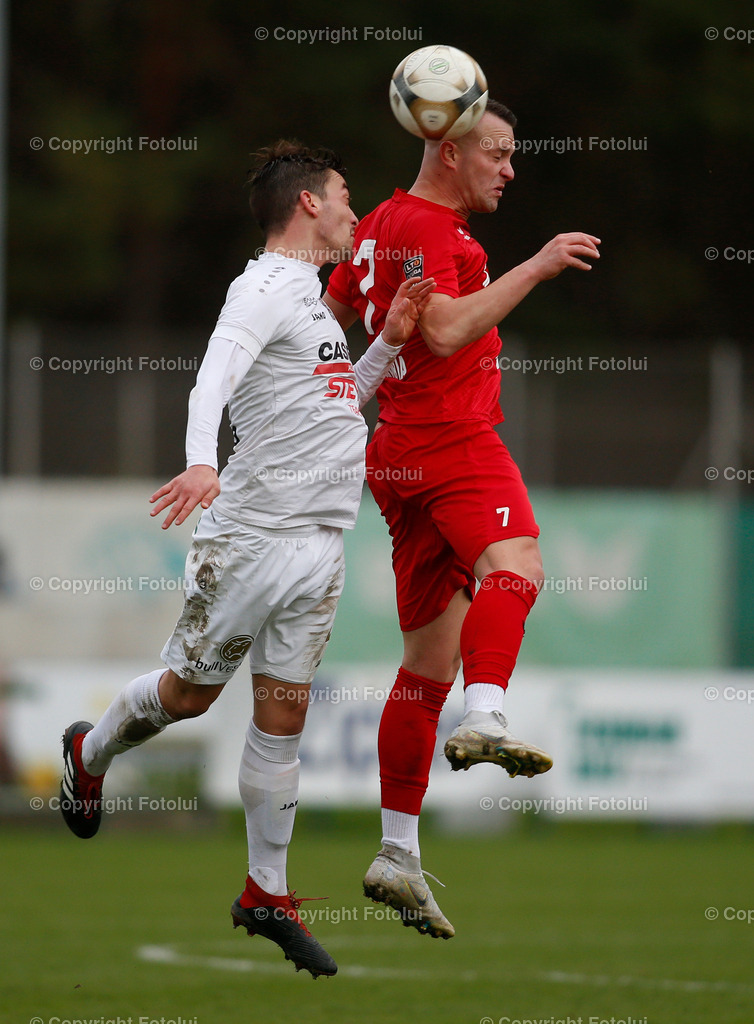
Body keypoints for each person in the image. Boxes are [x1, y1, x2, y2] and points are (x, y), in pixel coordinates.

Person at [59, 139, 434, 979]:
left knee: (285, 716)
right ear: (308, 204)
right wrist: (203, 460)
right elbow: (211, 378)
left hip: (320, 543)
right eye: (342, 195)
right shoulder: (262, 287)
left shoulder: (311, 303)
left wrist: (387, 345)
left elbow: (335, 403)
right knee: (189, 696)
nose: (351, 209)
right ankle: (90, 753)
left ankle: (266, 893)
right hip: (256, 537)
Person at [324, 100, 601, 939]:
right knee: (518, 566)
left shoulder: (375, 224)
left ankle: (397, 853)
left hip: (399, 448)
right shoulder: (434, 230)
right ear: (449, 151)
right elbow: (443, 332)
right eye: (498, 153)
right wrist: (538, 266)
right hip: (451, 439)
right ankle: (486, 720)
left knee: (422, 666)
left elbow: (332, 312)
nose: (510, 169)